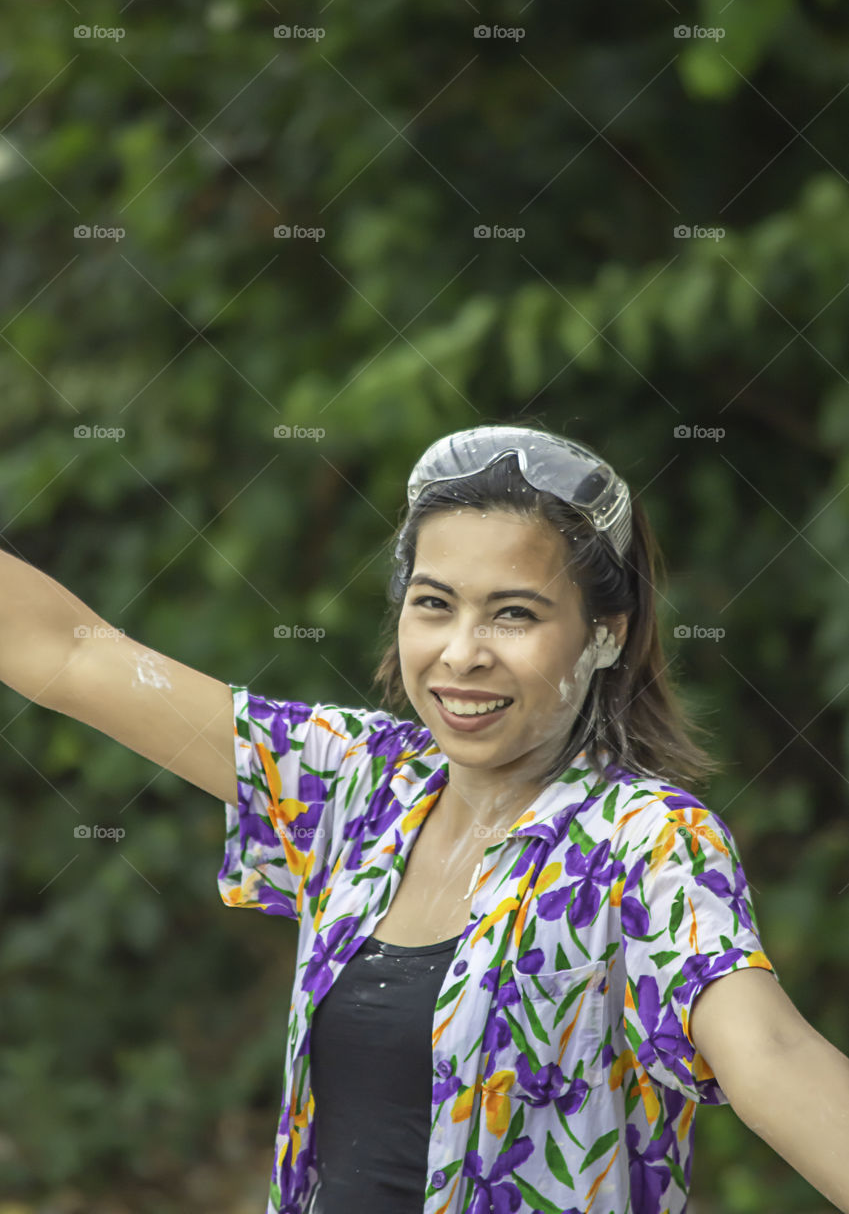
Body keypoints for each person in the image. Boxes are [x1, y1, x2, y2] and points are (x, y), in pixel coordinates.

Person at [2, 423, 848, 1214]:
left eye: (513, 613)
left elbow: (768, 1054)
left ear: (604, 635)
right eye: (434, 603)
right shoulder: (355, 785)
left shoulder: (643, 841)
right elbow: (71, 654)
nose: (461, 652)